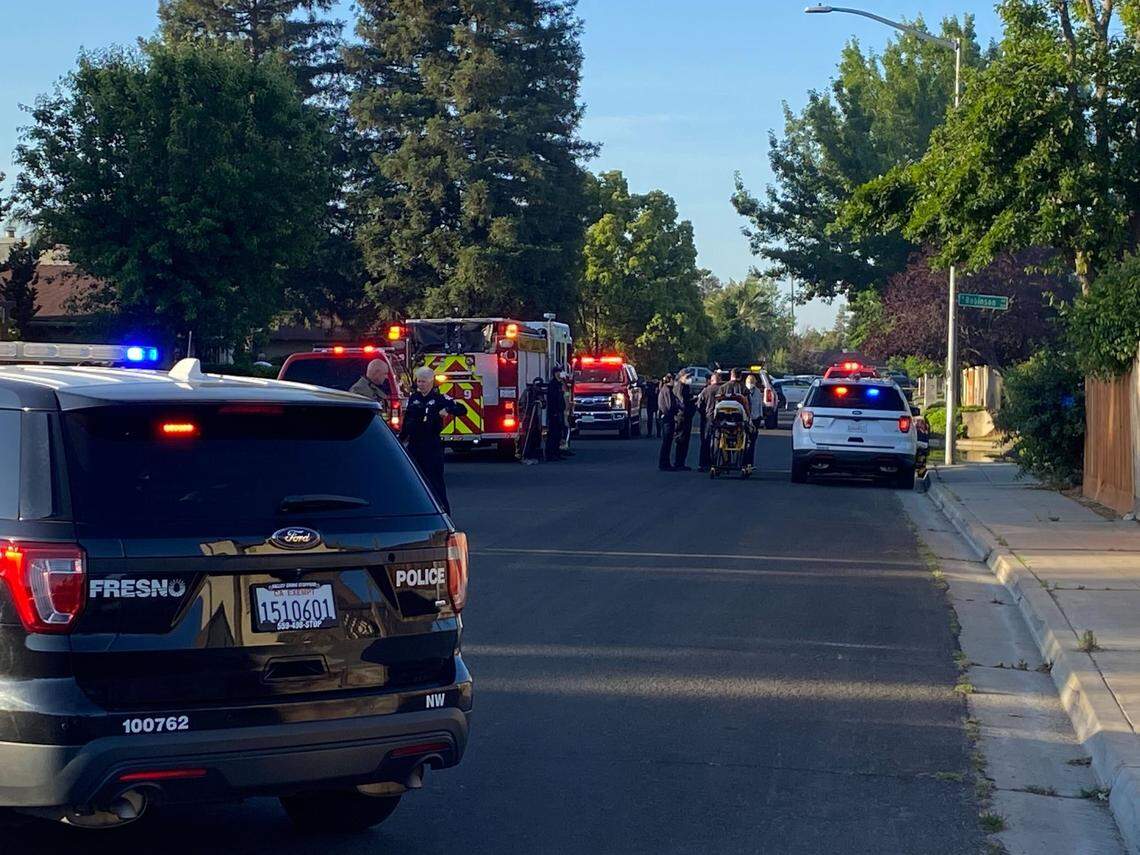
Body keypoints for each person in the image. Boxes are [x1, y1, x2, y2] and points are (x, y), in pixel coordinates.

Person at [399, 365, 467, 514]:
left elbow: (462, 409)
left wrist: (447, 410)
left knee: (435, 482)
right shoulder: (414, 398)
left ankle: (444, 514)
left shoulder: (440, 398)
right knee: (415, 481)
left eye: (423, 382)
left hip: (431, 445)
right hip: (415, 445)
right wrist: (401, 438)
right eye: (418, 381)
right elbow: (407, 420)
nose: (420, 384)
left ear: (431, 382)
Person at [696, 371, 722, 472]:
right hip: (719, 419)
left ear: (711, 380)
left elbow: (699, 405)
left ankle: (702, 464)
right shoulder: (722, 390)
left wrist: (703, 414)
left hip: (707, 418)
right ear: (719, 380)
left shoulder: (706, 391)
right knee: (717, 441)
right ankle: (715, 463)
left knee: (705, 442)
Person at [672, 370, 697, 471]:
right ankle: (679, 463)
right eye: (688, 377)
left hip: (686, 417)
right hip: (682, 417)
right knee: (681, 439)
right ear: (682, 377)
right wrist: (693, 401)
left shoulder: (685, 387)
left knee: (685, 440)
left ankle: (681, 462)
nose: (690, 379)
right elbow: (682, 403)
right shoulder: (680, 387)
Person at [545, 366, 568, 461]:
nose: (559, 374)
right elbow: (551, 400)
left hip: (560, 411)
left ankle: (557, 452)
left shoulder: (559, 384)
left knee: (559, 433)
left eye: (560, 372)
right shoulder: (552, 385)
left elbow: (563, 396)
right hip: (554, 412)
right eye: (557, 372)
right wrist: (553, 412)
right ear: (554, 374)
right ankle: (550, 454)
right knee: (553, 434)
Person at [657, 373, 678, 470]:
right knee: (667, 442)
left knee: (667, 442)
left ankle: (665, 462)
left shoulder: (664, 389)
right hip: (668, 418)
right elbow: (670, 406)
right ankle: (664, 463)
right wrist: (677, 409)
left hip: (665, 418)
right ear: (671, 380)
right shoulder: (667, 390)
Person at [744, 373, 765, 471]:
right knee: (744, 441)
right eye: (749, 382)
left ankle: (750, 463)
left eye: (752, 382)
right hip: (745, 419)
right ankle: (743, 462)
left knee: (752, 442)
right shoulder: (744, 391)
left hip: (756, 418)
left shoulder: (757, 392)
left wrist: (761, 416)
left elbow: (760, 405)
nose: (750, 384)